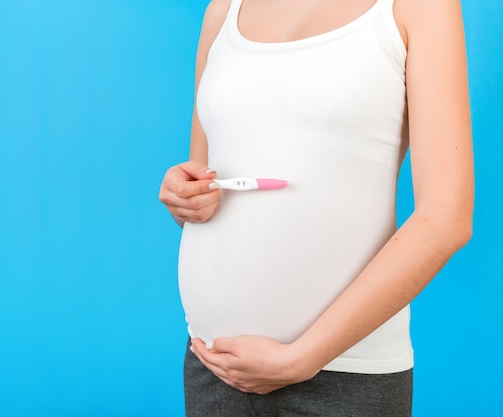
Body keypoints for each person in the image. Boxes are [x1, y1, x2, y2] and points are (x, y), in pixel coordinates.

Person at [159, 0, 473, 415]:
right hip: (213, 364)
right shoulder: (224, 10)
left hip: (345, 374)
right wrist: (185, 197)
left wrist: (302, 358)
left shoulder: (416, 8)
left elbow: (446, 219)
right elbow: (204, 180)